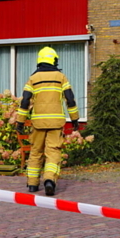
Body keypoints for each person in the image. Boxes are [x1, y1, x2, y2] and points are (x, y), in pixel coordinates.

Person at [15, 46, 79, 196]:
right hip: (56, 123)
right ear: (54, 60)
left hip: (38, 123)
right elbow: (70, 99)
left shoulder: (33, 78)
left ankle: (32, 184)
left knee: (36, 152)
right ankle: (49, 180)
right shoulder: (61, 77)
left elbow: (25, 101)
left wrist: (20, 122)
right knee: (53, 152)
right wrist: (74, 118)